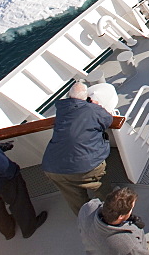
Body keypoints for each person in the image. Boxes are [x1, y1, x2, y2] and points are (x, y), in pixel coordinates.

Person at [41, 81, 115, 215]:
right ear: (86, 98)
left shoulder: (61, 109)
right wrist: (95, 107)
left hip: (52, 168)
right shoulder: (92, 109)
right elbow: (107, 120)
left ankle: (85, 218)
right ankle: (112, 208)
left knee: (73, 196)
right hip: (84, 167)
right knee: (100, 185)